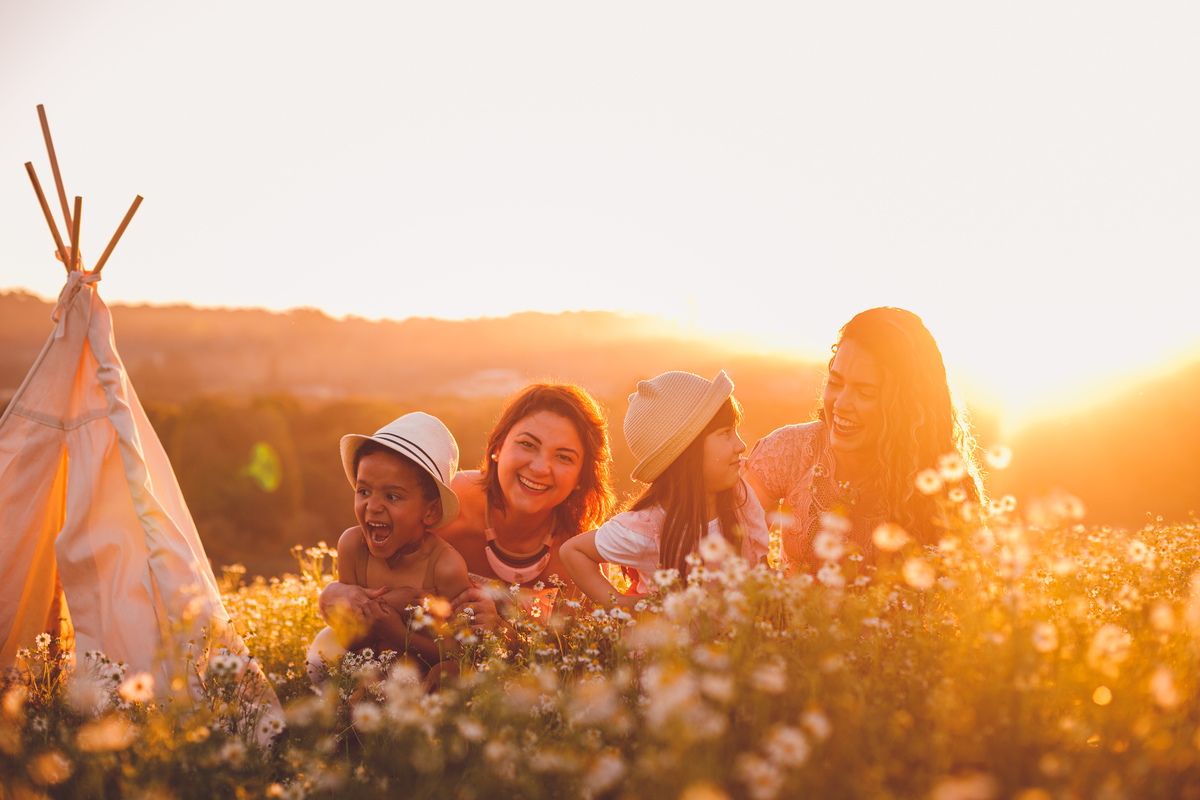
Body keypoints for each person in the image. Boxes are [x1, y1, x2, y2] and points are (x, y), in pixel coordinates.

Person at [745, 307, 983, 572]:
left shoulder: (939, 489)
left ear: (905, 407)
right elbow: (729, 548)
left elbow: (955, 595)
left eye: (865, 392)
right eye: (835, 383)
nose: (841, 404)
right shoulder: (788, 450)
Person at [560, 370, 769, 608]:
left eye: (735, 430)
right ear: (686, 454)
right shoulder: (647, 527)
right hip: (669, 643)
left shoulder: (739, 495)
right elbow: (572, 551)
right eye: (725, 434)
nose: (741, 445)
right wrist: (620, 605)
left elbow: (760, 566)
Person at [307, 412, 472, 687]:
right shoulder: (352, 546)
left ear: (430, 511)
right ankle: (348, 718)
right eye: (363, 491)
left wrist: (396, 632)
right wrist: (392, 603)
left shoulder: (445, 565)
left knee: (449, 676)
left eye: (392, 496)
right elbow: (352, 639)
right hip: (367, 667)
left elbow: (457, 653)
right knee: (320, 652)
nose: (373, 506)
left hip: (422, 675)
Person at [437, 383, 617, 628]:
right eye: (528, 445)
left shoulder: (583, 553)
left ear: (580, 478)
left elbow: (573, 652)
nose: (540, 468)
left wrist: (503, 634)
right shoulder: (445, 502)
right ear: (498, 446)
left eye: (564, 457)